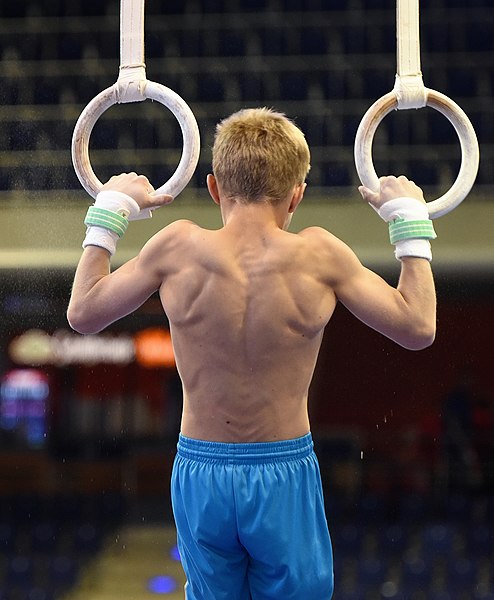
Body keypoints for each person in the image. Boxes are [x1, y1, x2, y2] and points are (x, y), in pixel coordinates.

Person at [67, 107, 437, 599]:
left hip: (200, 472)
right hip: (282, 471)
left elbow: (83, 313)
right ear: (297, 196)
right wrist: (410, 222)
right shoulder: (318, 256)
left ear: (216, 187)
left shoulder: (177, 248)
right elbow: (418, 327)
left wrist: (110, 211)